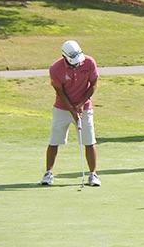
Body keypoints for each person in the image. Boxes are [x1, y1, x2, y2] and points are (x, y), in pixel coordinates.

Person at [40, 40, 101, 186]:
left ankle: (93, 175)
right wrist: (72, 109)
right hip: (62, 108)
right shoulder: (55, 68)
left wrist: (80, 105)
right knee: (54, 141)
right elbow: (59, 91)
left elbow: (93, 85)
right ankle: (48, 173)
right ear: (64, 56)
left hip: (85, 108)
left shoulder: (89, 62)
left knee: (89, 141)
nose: (76, 64)